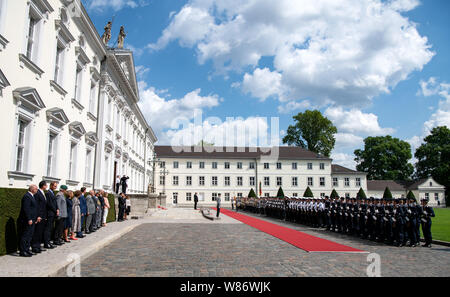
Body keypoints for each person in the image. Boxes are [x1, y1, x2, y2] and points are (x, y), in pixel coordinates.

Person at [18, 185, 38, 257]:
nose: (37, 190)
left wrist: (35, 219)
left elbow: (33, 209)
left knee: (30, 235)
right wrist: (29, 219)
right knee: (25, 235)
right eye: (36, 189)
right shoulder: (27, 196)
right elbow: (26, 209)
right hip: (27, 220)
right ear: (32, 189)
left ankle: (27, 249)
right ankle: (23, 251)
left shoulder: (32, 196)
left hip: (32, 219)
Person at [31, 181, 48, 253]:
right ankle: (35, 246)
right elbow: (37, 206)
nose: (47, 186)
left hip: (43, 215)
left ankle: (38, 246)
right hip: (39, 216)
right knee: (37, 231)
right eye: (46, 185)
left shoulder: (42, 193)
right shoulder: (38, 193)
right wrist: (38, 215)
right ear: (43, 186)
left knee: (40, 231)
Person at [44, 182, 58, 249]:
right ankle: (46, 243)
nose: (56, 187)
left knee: (50, 228)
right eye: (55, 186)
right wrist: (55, 210)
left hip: (53, 213)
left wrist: (57, 209)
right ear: (51, 186)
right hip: (49, 213)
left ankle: (49, 242)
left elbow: (55, 202)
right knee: (48, 229)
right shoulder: (48, 193)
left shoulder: (52, 193)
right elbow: (49, 204)